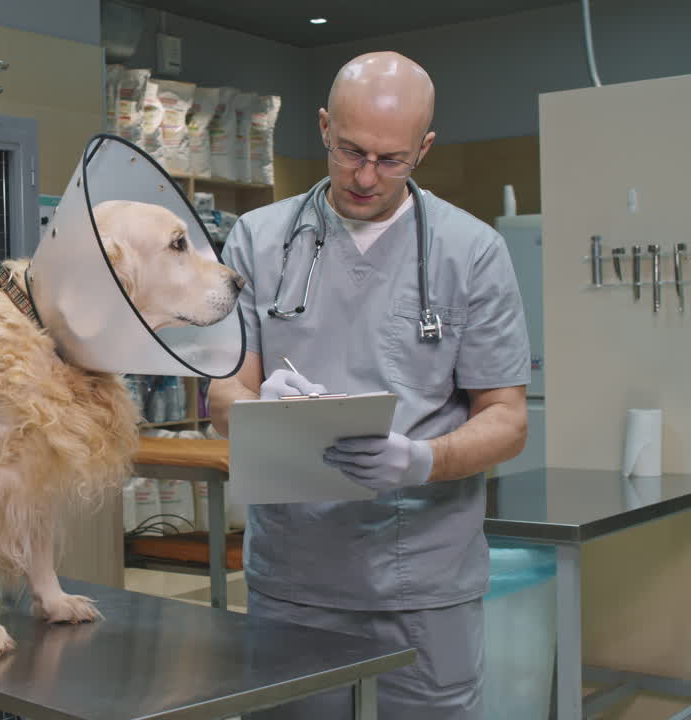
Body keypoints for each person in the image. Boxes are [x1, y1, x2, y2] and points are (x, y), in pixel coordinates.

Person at [209, 51, 530, 719]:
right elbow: (221, 393)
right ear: (324, 126)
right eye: (350, 150)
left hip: (423, 579)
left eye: (392, 160)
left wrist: (423, 460)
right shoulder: (257, 240)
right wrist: (256, 411)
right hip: (296, 578)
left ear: (425, 148)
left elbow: (507, 416)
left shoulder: (470, 251)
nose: (364, 176)